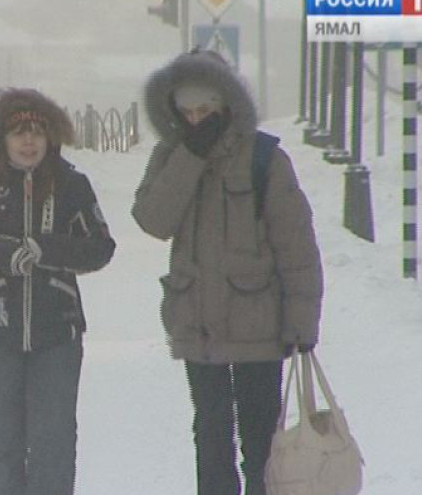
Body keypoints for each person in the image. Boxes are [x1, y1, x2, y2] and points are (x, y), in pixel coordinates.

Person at [131, 49, 324, 495]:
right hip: (197, 322)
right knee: (211, 434)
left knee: (260, 438)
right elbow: (153, 220)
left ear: (227, 104)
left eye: (207, 110)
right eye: (189, 112)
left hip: (258, 322)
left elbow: (297, 247)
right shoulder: (171, 155)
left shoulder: (265, 159)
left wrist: (302, 322)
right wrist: (189, 158)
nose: (198, 120)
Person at [0, 88, 115, 495]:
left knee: (54, 447)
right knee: (0, 448)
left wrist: (46, 250)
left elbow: (101, 248)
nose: (29, 142)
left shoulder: (72, 186)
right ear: (1, 139)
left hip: (58, 336)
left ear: (51, 137)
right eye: (19, 133)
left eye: (37, 132)